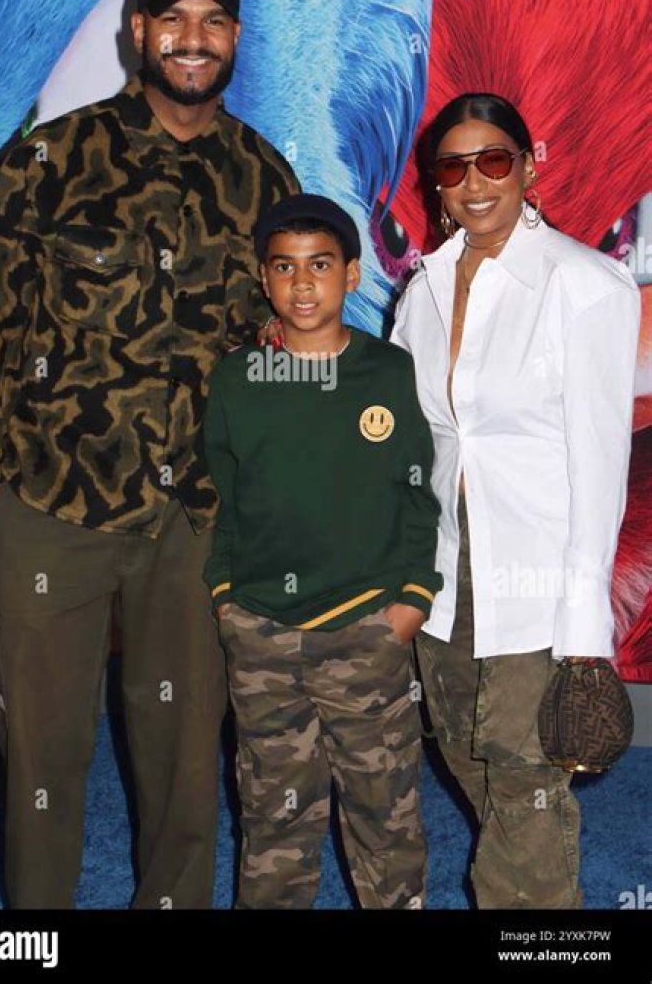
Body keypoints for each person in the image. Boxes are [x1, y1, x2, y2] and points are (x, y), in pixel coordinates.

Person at [0, 0, 299, 909]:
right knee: (40, 758)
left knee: (185, 769)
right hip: (53, 506)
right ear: (139, 32)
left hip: (196, 521)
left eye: (213, 22)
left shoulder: (265, 176)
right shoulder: (50, 158)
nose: (193, 39)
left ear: (235, 39)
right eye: (172, 19)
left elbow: (287, 345)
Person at [391, 92, 640, 909]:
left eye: (493, 160)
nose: (475, 182)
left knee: (526, 779)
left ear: (529, 168)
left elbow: (600, 464)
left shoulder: (584, 285)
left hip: (536, 581)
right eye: (453, 167)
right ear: (436, 184)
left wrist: (583, 631)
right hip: (445, 573)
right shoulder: (423, 289)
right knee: (467, 752)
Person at [203, 192, 443, 908]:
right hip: (262, 635)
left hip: (365, 629)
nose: (302, 284)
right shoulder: (237, 379)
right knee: (273, 815)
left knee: (386, 817)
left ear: (352, 274)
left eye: (320, 265)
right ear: (264, 277)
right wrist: (226, 596)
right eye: (285, 267)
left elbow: (416, 492)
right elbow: (223, 499)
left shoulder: (388, 373)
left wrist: (411, 598)